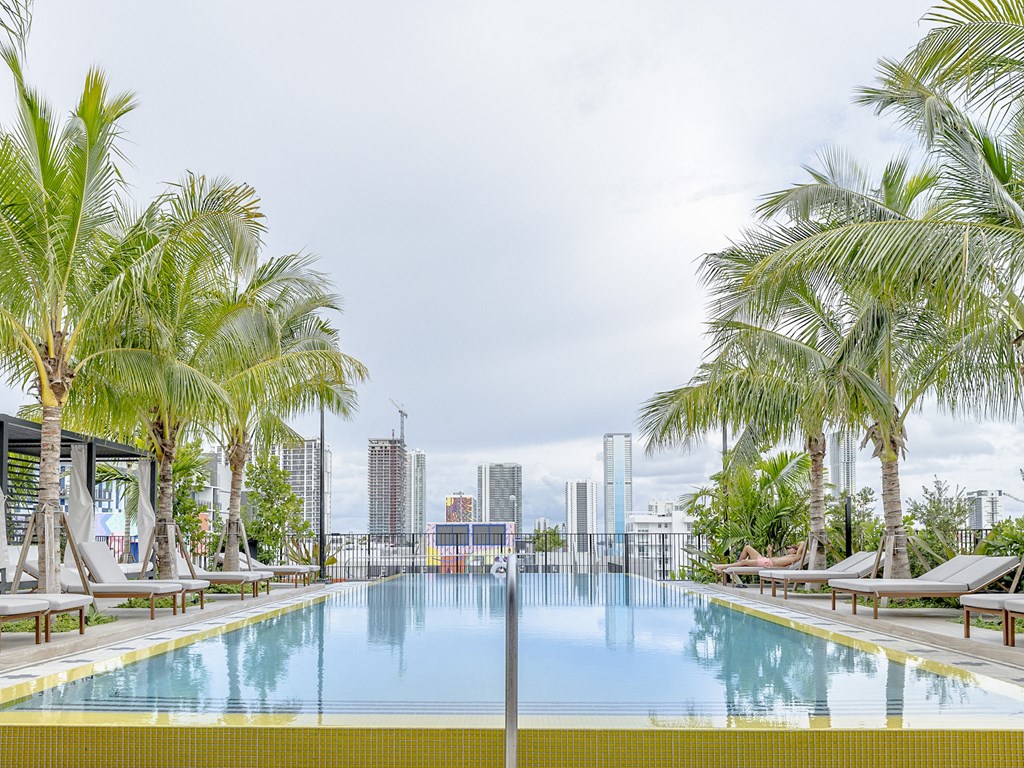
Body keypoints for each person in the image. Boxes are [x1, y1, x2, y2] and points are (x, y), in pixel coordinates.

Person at [711, 541, 805, 573]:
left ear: (795, 550)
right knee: (747, 548)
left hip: (766, 563)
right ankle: (737, 566)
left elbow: (803, 543)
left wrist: (797, 547)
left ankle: (721, 567)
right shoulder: (788, 556)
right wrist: (769, 552)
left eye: (790, 548)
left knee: (744, 562)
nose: (788, 549)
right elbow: (772, 560)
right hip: (766, 560)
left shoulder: (795, 557)